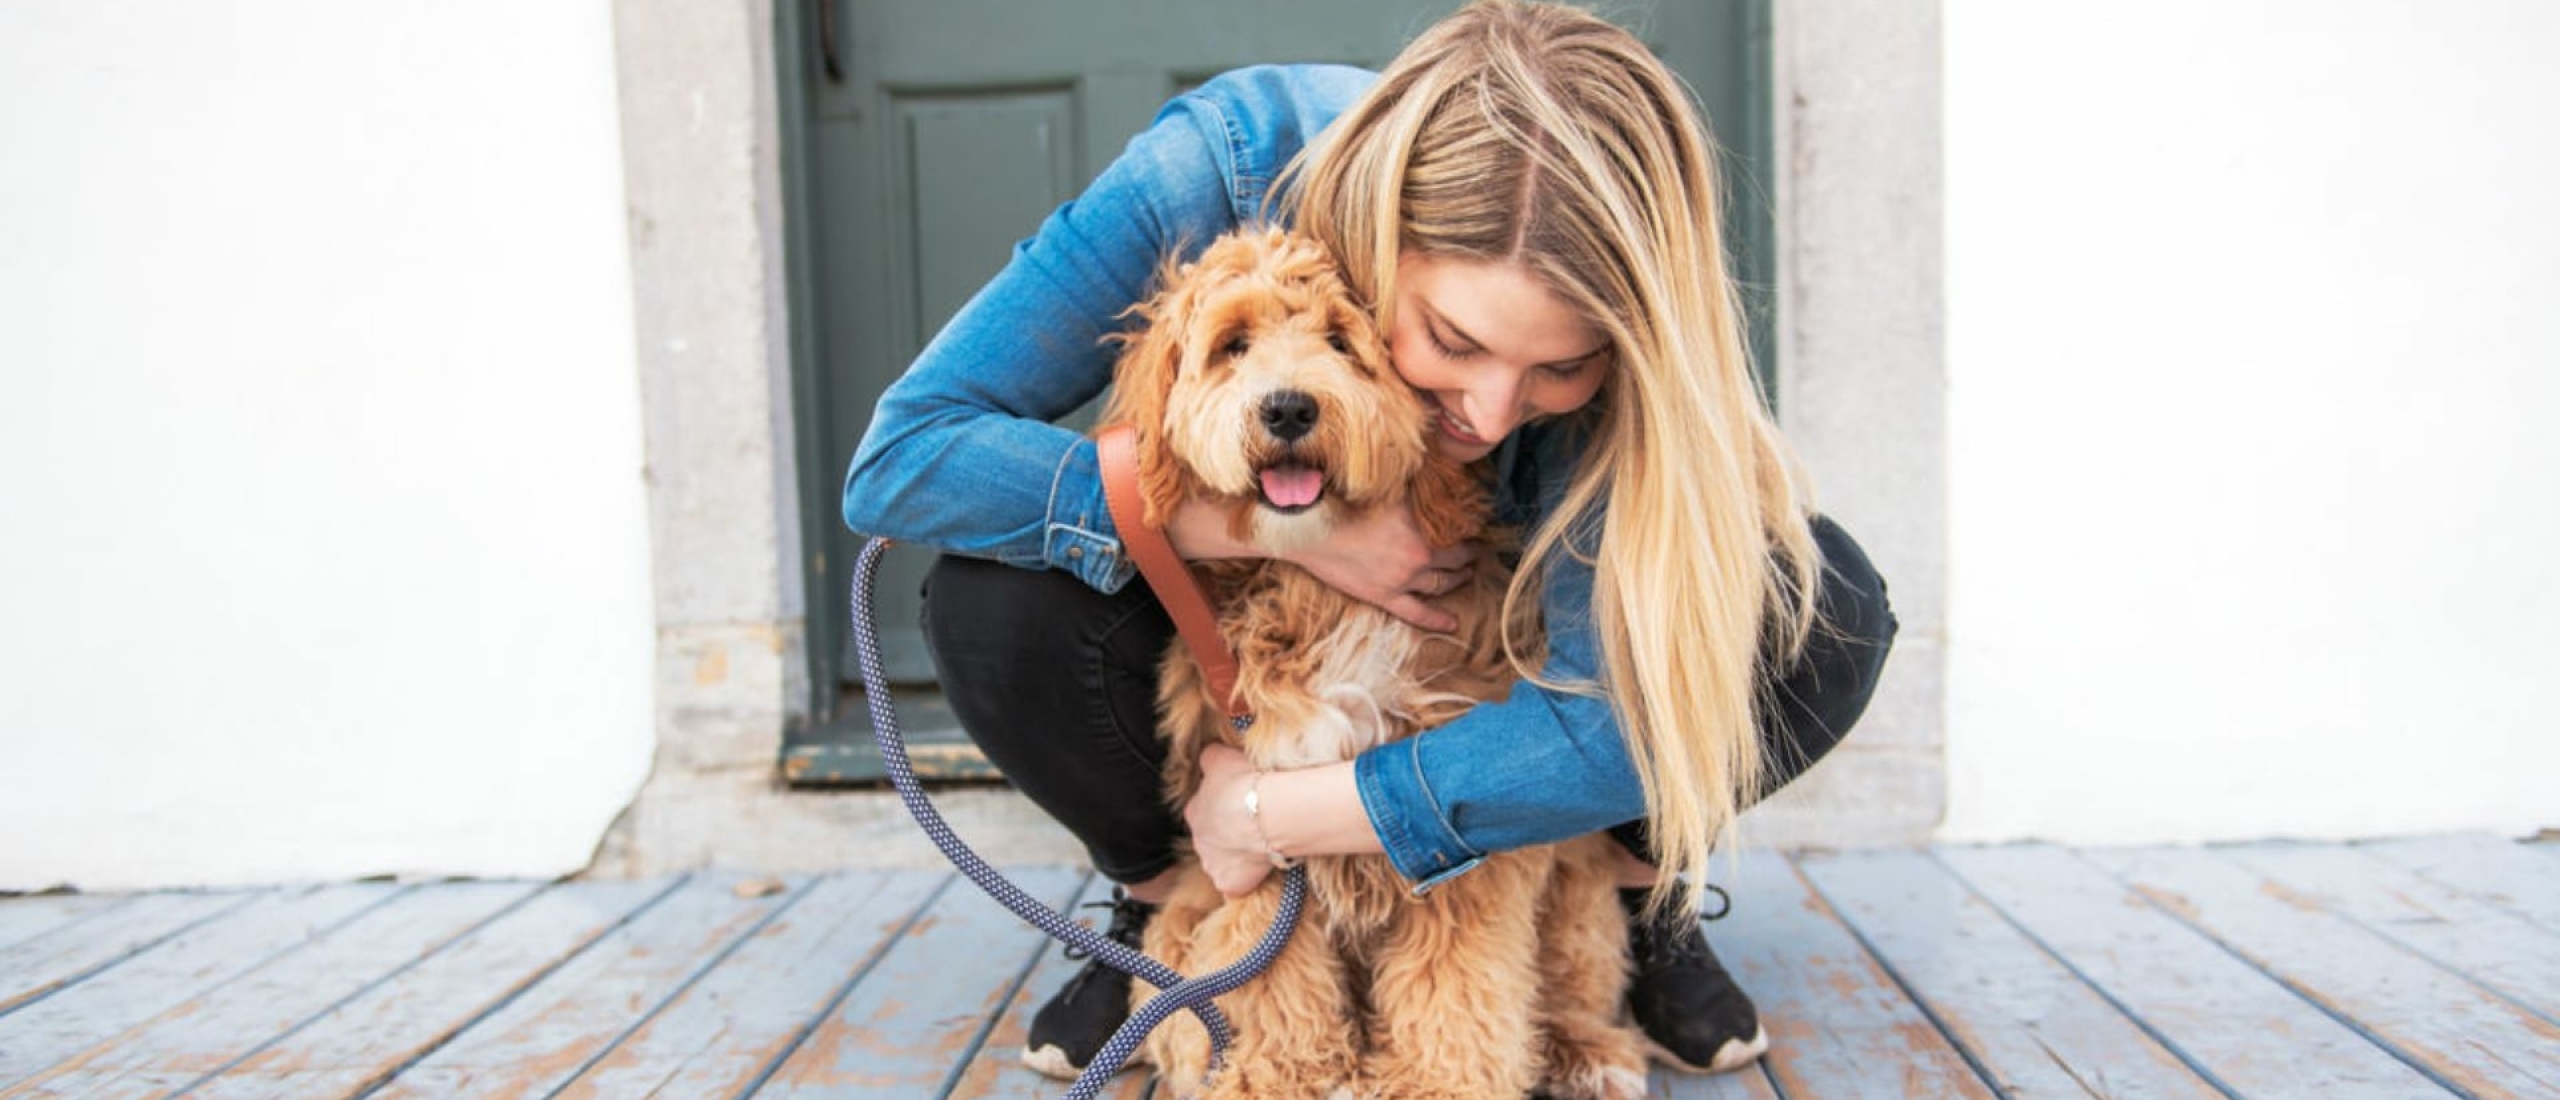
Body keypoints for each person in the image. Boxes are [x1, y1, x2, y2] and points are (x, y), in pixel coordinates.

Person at [841, 0, 1896, 1081]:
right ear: (1380, 236)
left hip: (1473, 672)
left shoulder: (1616, 365)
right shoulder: (1215, 169)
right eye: (1451, 339)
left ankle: (1630, 896)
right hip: (1252, 630)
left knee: (1814, 605)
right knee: (991, 605)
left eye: (1558, 368)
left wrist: (1270, 809)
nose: (1489, 412)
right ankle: (1168, 901)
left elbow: (1602, 724)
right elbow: (905, 459)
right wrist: (1281, 532)